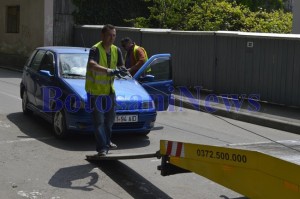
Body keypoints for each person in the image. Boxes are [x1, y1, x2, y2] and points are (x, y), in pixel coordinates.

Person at [85, 24, 123, 156]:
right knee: (99, 121)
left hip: (109, 91)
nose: (112, 38)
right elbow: (92, 65)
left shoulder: (116, 50)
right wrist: (109, 71)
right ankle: (102, 148)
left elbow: (121, 66)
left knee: (110, 120)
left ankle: (106, 142)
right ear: (102, 35)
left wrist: (123, 71)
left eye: (114, 35)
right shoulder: (95, 49)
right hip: (95, 91)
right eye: (109, 35)